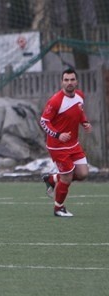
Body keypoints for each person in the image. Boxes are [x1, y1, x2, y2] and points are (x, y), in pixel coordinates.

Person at [39, 68, 92, 217]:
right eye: (66, 80)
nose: (69, 83)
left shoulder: (80, 96)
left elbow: (79, 111)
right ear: (62, 82)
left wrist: (85, 122)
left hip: (73, 144)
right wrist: (57, 134)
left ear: (77, 81)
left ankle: (52, 179)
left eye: (72, 79)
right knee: (67, 177)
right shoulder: (56, 100)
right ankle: (58, 208)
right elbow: (44, 122)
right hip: (57, 146)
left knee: (82, 173)